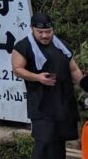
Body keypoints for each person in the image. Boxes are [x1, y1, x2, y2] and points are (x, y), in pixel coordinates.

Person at [11, 12, 85, 159]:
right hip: (41, 104)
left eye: (48, 32)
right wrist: (37, 77)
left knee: (59, 143)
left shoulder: (61, 45)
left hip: (63, 102)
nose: (45, 36)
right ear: (32, 28)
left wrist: (85, 85)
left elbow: (74, 70)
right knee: (44, 142)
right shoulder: (23, 46)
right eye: (40, 32)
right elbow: (17, 69)